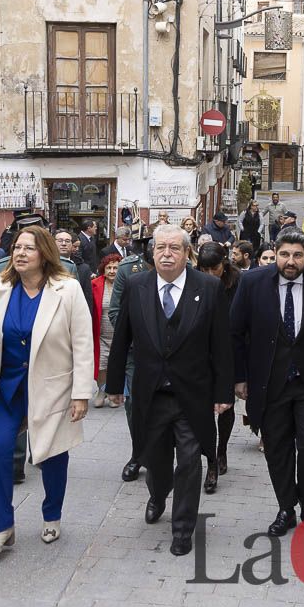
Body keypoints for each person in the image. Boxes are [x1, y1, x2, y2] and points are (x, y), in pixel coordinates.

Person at [0, 225, 95, 558]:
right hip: (6, 387)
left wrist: (81, 393)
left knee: (52, 454)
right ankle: (3, 526)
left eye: (29, 248)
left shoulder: (67, 289)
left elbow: (82, 342)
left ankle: (52, 513)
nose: (20, 253)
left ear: (45, 254)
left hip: (52, 387)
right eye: (17, 248)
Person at [106, 225, 233, 556]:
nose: (166, 253)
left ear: (186, 253)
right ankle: (158, 494)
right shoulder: (137, 286)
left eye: (174, 248)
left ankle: (182, 530)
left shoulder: (207, 288)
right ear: (152, 252)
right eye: (160, 247)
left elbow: (221, 344)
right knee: (156, 461)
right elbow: (122, 339)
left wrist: (223, 393)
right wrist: (115, 384)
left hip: (192, 395)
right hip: (150, 395)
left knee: (190, 460)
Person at [232, 230, 304, 537]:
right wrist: (239, 377)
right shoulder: (253, 283)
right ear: (275, 253)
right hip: (269, 383)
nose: (290, 261)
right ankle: (286, 508)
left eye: (297, 255)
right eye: (284, 255)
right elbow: (235, 333)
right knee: (277, 448)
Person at [107, 240, 155, 482]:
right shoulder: (128, 270)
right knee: (134, 403)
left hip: (171, 353)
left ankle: (160, 453)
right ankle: (138, 454)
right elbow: (115, 311)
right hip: (136, 353)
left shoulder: (185, 269)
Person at [196, 241, 241, 494]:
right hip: (201, 355)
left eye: (214, 268)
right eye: (205, 269)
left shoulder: (238, 282)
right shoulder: (194, 280)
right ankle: (211, 461)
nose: (210, 274)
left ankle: (222, 449)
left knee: (226, 407)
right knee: (204, 411)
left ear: (225, 264)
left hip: (229, 353)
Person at [92, 253, 122, 408]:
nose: (112, 271)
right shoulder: (95, 284)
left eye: (115, 268)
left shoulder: (126, 284)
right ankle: (101, 390)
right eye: (108, 268)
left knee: (115, 364)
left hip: (120, 334)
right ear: (103, 270)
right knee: (102, 364)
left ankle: (113, 393)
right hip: (101, 333)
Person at [54, 229, 95, 314]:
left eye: (67, 241)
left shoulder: (83, 268)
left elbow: (87, 298)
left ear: (71, 244)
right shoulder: (43, 264)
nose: (64, 244)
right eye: (60, 241)